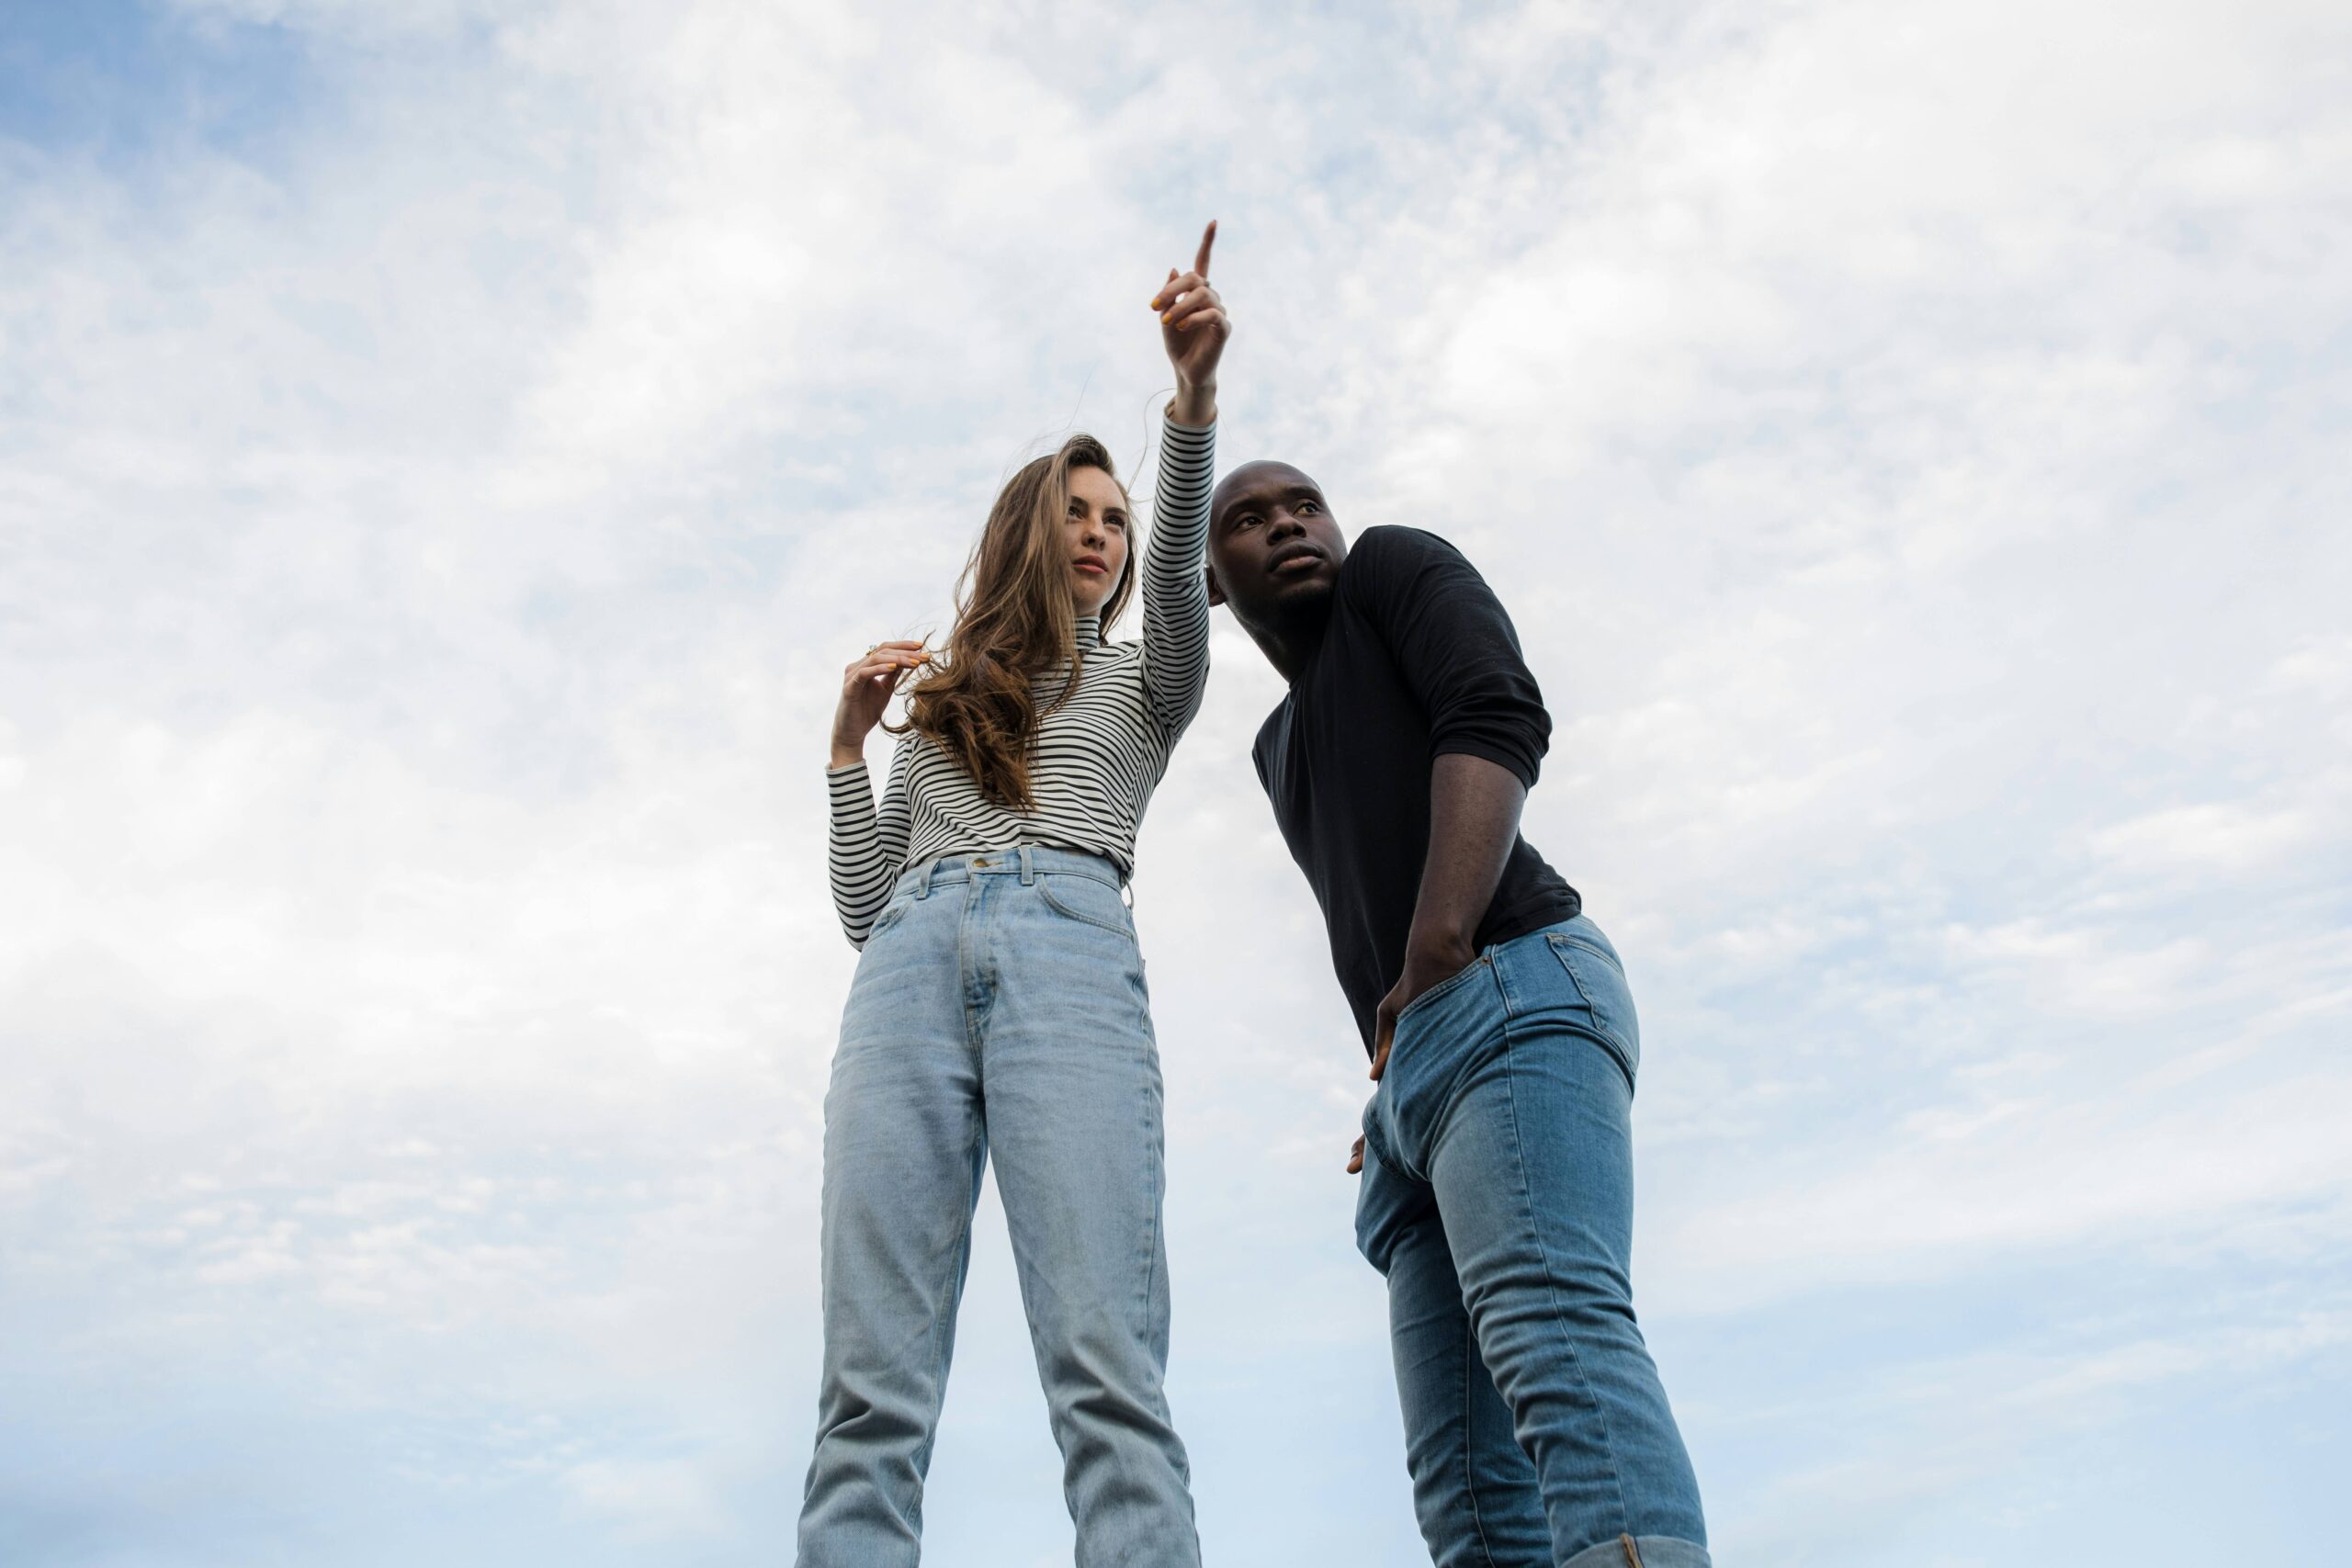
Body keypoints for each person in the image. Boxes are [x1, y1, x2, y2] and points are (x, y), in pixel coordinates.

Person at [800, 224, 1228, 1568]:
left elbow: (1173, 575)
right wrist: (842, 748)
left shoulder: (1147, 679)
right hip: (910, 964)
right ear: (1026, 527)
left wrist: (1191, 403)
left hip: (1068, 952)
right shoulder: (940, 705)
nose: (1101, 535)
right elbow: (867, 903)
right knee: (870, 1384)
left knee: (1105, 1363)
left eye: (1115, 516)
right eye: (1078, 512)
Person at [1204, 465, 1712, 1568]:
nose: (1289, 522)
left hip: (1512, 987)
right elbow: (1361, 900)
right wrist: (1394, 1072)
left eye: (1302, 503)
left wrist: (1436, 954)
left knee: (1557, 1343)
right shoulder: (1275, 747)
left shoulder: (1392, 564)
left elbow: (1494, 709)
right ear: (1207, 578)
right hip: (1416, 1089)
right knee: (1467, 1494)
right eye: (1248, 519)